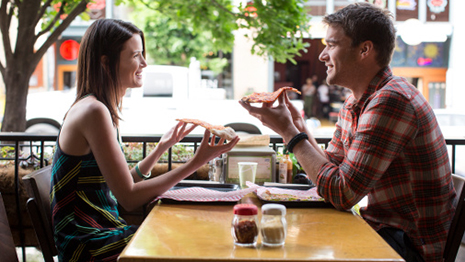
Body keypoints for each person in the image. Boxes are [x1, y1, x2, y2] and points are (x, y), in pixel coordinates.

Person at [239, 3, 455, 262]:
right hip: (382, 230)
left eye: (331, 45)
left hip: (411, 246)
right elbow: (332, 170)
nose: (322, 55)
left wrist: (288, 133)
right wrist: (300, 129)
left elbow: (342, 194)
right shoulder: (356, 101)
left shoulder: (391, 101)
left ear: (364, 50)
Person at [50, 19, 239, 262]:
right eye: (136, 55)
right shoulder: (94, 111)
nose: (144, 63)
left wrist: (161, 148)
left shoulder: (99, 108)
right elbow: (128, 198)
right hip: (86, 243)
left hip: (101, 233)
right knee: (187, 242)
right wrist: (196, 162)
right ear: (106, 63)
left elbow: (123, 183)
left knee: (187, 236)